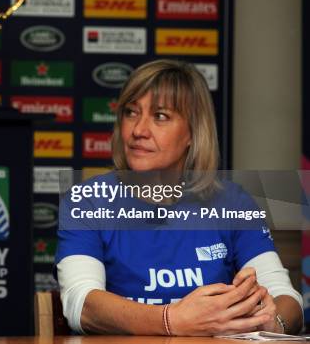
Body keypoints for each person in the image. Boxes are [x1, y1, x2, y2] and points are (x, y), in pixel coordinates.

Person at [56, 59, 303, 336]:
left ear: (192, 132)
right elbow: (81, 305)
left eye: (160, 116)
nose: (139, 130)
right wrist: (170, 320)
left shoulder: (233, 203)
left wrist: (272, 322)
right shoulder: (87, 200)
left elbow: (287, 299)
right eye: (131, 112)